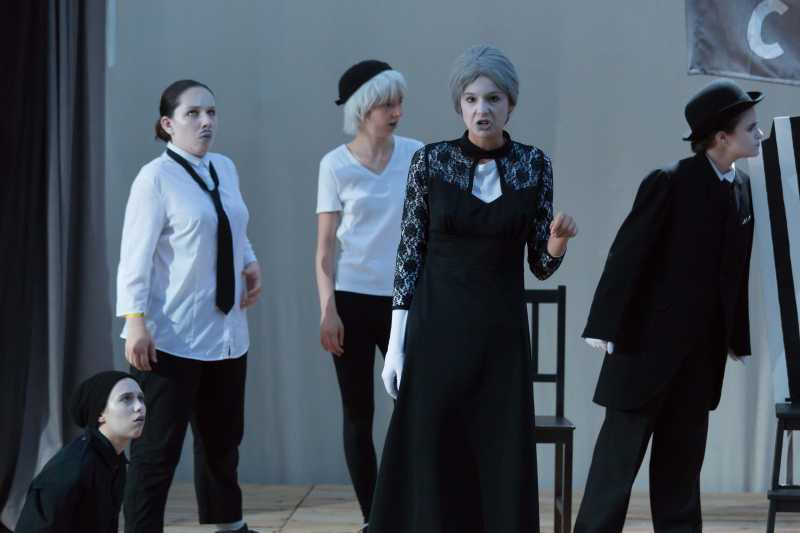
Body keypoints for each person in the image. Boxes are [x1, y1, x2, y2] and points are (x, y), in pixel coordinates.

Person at [368, 45, 577, 533]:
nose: (482, 109)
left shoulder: (534, 164)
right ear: (459, 106)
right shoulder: (430, 161)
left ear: (511, 104)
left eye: (493, 99)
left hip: (500, 342)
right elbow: (409, 255)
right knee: (433, 451)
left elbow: (540, 266)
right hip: (435, 334)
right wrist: (396, 346)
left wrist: (557, 242)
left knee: (496, 454)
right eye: (471, 99)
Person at [576, 79, 762, 532]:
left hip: (699, 358)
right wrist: (604, 326)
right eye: (751, 128)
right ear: (722, 137)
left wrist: (735, 339)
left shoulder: (741, 188)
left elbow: (734, 273)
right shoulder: (670, 181)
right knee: (616, 468)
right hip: (643, 350)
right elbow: (628, 254)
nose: (760, 135)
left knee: (681, 468)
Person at [117, 79, 262, 533]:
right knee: (156, 450)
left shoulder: (224, 168)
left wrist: (250, 261)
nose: (205, 122)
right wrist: (135, 321)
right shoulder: (155, 179)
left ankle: (229, 527)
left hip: (226, 333)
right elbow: (135, 256)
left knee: (223, 441)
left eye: (211, 112)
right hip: (172, 336)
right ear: (167, 124)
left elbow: (231, 224)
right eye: (193, 113)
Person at [315, 60, 423, 532]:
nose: (396, 112)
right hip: (352, 303)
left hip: (407, 303)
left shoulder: (417, 155)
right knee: (358, 414)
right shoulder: (335, 166)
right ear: (362, 109)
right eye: (386, 104)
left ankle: (410, 511)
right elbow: (323, 252)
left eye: (399, 103)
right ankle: (372, 517)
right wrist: (328, 311)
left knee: (413, 412)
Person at [15, 371, 145, 533]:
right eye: (126, 399)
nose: (139, 407)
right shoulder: (75, 468)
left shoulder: (114, 460)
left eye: (141, 398)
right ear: (101, 414)